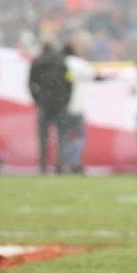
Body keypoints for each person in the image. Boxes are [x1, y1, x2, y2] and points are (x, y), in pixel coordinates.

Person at [28, 42, 71, 174]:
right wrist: (66, 99)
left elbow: (30, 83)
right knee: (62, 136)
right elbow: (69, 83)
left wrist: (37, 99)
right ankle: (59, 164)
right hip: (60, 102)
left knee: (43, 137)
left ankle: (43, 165)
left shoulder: (37, 62)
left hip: (44, 102)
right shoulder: (62, 62)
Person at [62, 43, 96, 174]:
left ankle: (66, 163)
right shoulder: (79, 63)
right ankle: (75, 162)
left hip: (62, 106)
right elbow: (92, 75)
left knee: (64, 137)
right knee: (79, 137)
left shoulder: (60, 62)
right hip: (77, 105)